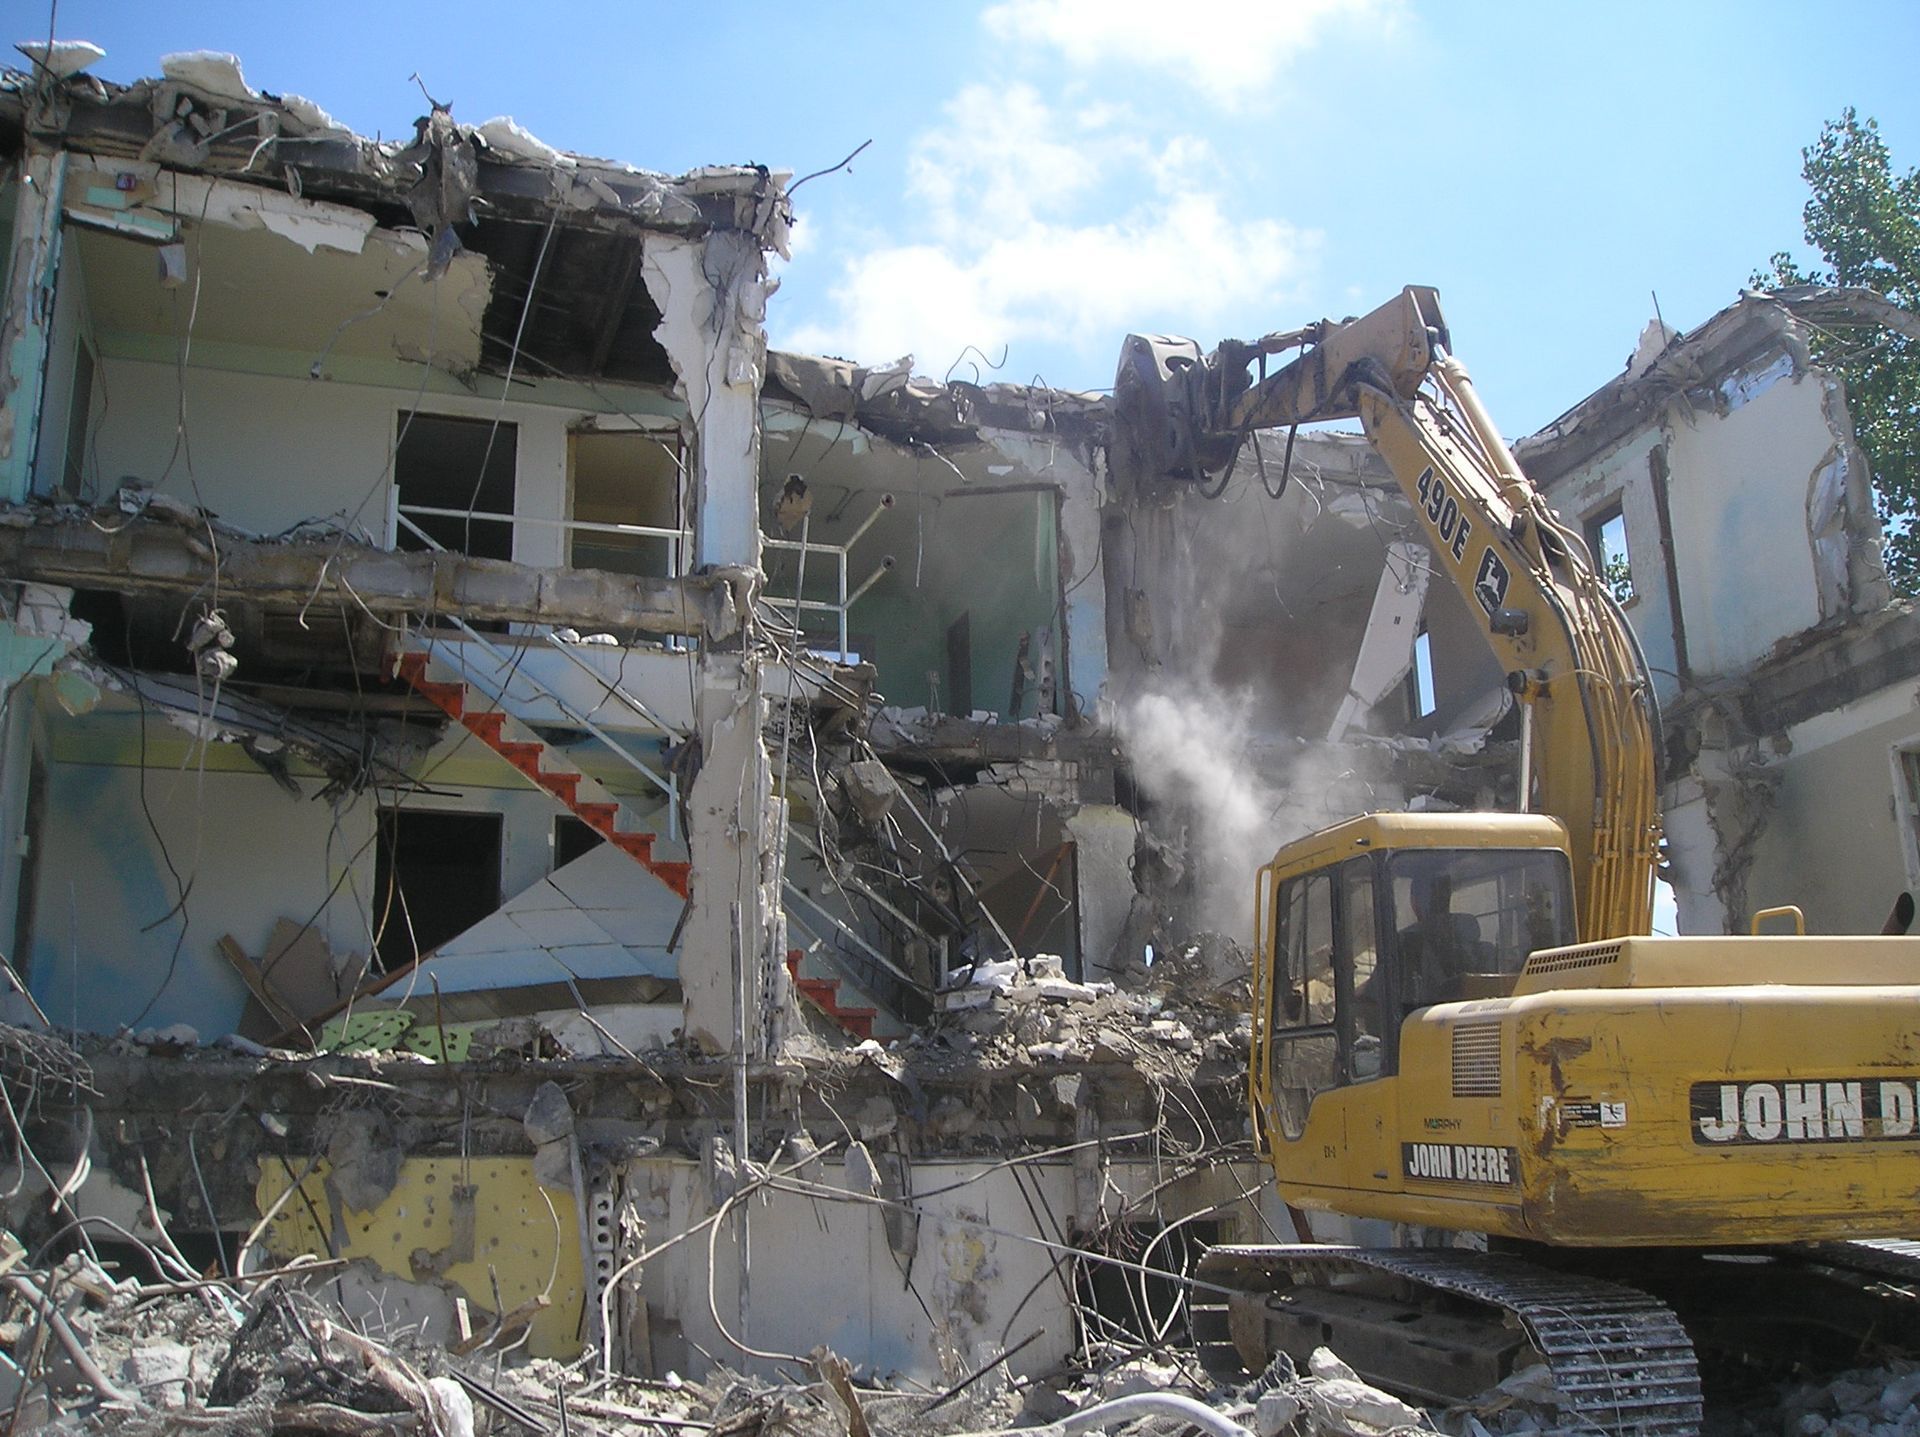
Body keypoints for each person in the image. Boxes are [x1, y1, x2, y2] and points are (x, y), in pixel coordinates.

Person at [1397, 872, 1483, 1011]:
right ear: (1448, 899)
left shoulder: (1406, 944)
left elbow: (1373, 996)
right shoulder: (1482, 953)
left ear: (1414, 902)